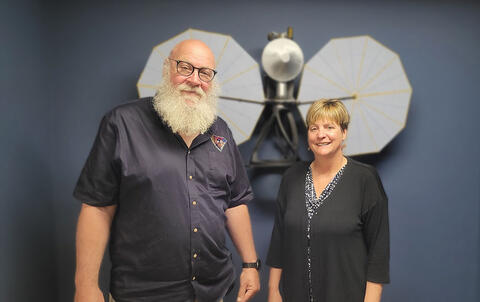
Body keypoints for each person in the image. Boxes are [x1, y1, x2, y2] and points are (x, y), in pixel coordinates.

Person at [73, 39, 260, 302]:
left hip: (214, 290)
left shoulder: (221, 131)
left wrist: (250, 264)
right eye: (185, 68)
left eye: (205, 73)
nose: (195, 80)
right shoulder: (122, 123)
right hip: (142, 294)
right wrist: (86, 285)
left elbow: (235, 202)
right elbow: (97, 207)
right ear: (167, 68)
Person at [266, 100, 389, 302]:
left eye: (329, 127)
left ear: (344, 132)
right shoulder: (292, 177)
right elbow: (279, 238)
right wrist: (273, 291)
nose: (320, 134)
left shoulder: (365, 179)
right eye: (314, 128)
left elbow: (378, 252)